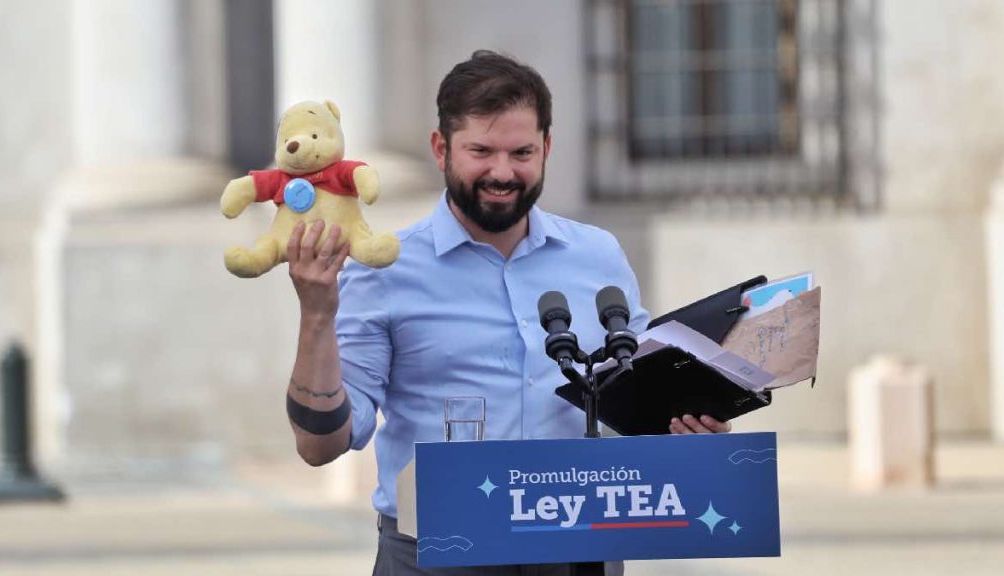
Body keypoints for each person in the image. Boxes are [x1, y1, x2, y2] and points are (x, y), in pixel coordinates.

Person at [283, 50, 731, 576]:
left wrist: (688, 430)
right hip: (436, 554)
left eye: (521, 152)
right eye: (481, 151)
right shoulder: (385, 270)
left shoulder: (598, 255)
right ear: (441, 148)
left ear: (547, 147)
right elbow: (321, 443)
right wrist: (316, 314)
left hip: (581, 551)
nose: (502, 172)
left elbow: (637, 401)